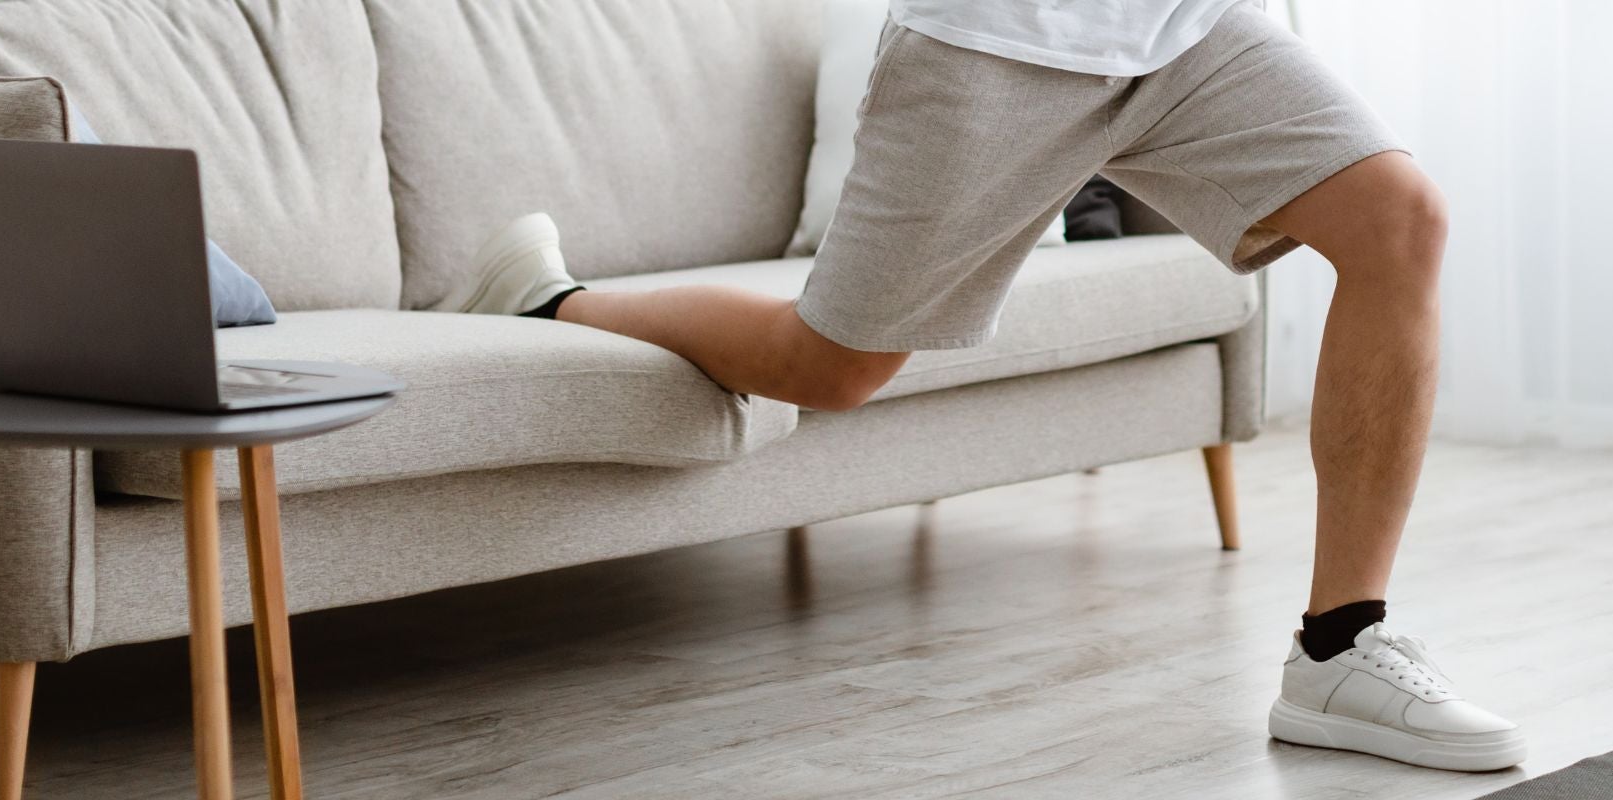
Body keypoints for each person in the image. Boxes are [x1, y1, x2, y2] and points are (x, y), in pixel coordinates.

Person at [439, 0, 1522, 772]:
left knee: (1399, 217)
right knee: (831, 364)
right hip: (992, 45)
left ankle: (1340, 645)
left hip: (1184, 30)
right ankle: (556, 297)